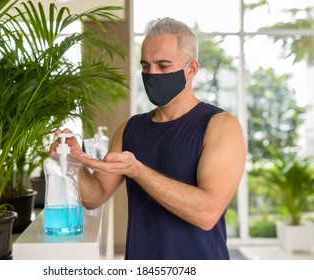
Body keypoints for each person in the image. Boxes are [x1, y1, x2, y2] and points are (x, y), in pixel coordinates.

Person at [50, 17, 246, 260]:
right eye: (145, 66)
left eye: (163, 66)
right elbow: (95, 196)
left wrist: (139, 171)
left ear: (191, 69)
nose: (152, 74)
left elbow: (207, 214)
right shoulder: (129, 129)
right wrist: (73, 163)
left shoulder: (221, 127)